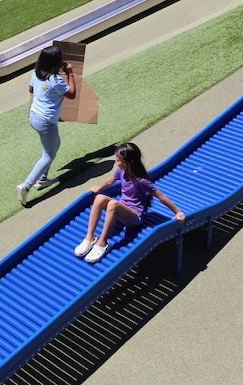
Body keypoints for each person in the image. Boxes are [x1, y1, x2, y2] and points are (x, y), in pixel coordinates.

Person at [75, 142, 184, 264]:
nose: (116, 162)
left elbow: (161, 196)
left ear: (128, 163)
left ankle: (103, 242)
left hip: (135, 217)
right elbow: (110, 180)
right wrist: (99, 189)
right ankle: (90, 237)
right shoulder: (121, 171)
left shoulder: (141, 181)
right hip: (122, 210)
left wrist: (178, 212)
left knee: (113, 204)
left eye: (118, 160)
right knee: (99, 198)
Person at [18, 44, 77, 206]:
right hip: (46, 121)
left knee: (54, 145)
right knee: (48, 155)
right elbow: (72, 94)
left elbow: (31, 89)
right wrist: (70, 73)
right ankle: (27, 186)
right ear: (56, 62)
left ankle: (42, 179)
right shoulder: (55, 80)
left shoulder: (36, 73)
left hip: (34, 116)